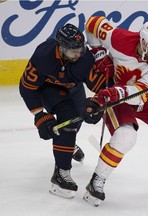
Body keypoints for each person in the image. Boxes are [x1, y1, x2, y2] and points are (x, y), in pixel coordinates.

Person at [83, 16, 148, 206]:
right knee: (125, 137)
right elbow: (92, 23)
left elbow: (141, 94)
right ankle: (96, 181)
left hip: (139, 94)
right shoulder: (119, 38)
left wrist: (118, 91)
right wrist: (98, 52)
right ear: (142, 42)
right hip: (117, 94)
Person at [19, 23, 114, 199]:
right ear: (61, 48)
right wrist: (40, 115)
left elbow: (102, 87)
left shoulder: (84, 59)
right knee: (68, 119)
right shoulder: (43, 57)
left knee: (75, 121)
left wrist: (96, 105)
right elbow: (26, 88)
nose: (79, 54)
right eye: (74, 51)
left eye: (81, 49)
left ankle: (67, 144)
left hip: (74, 86)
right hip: (49, 88)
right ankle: (61, 173)